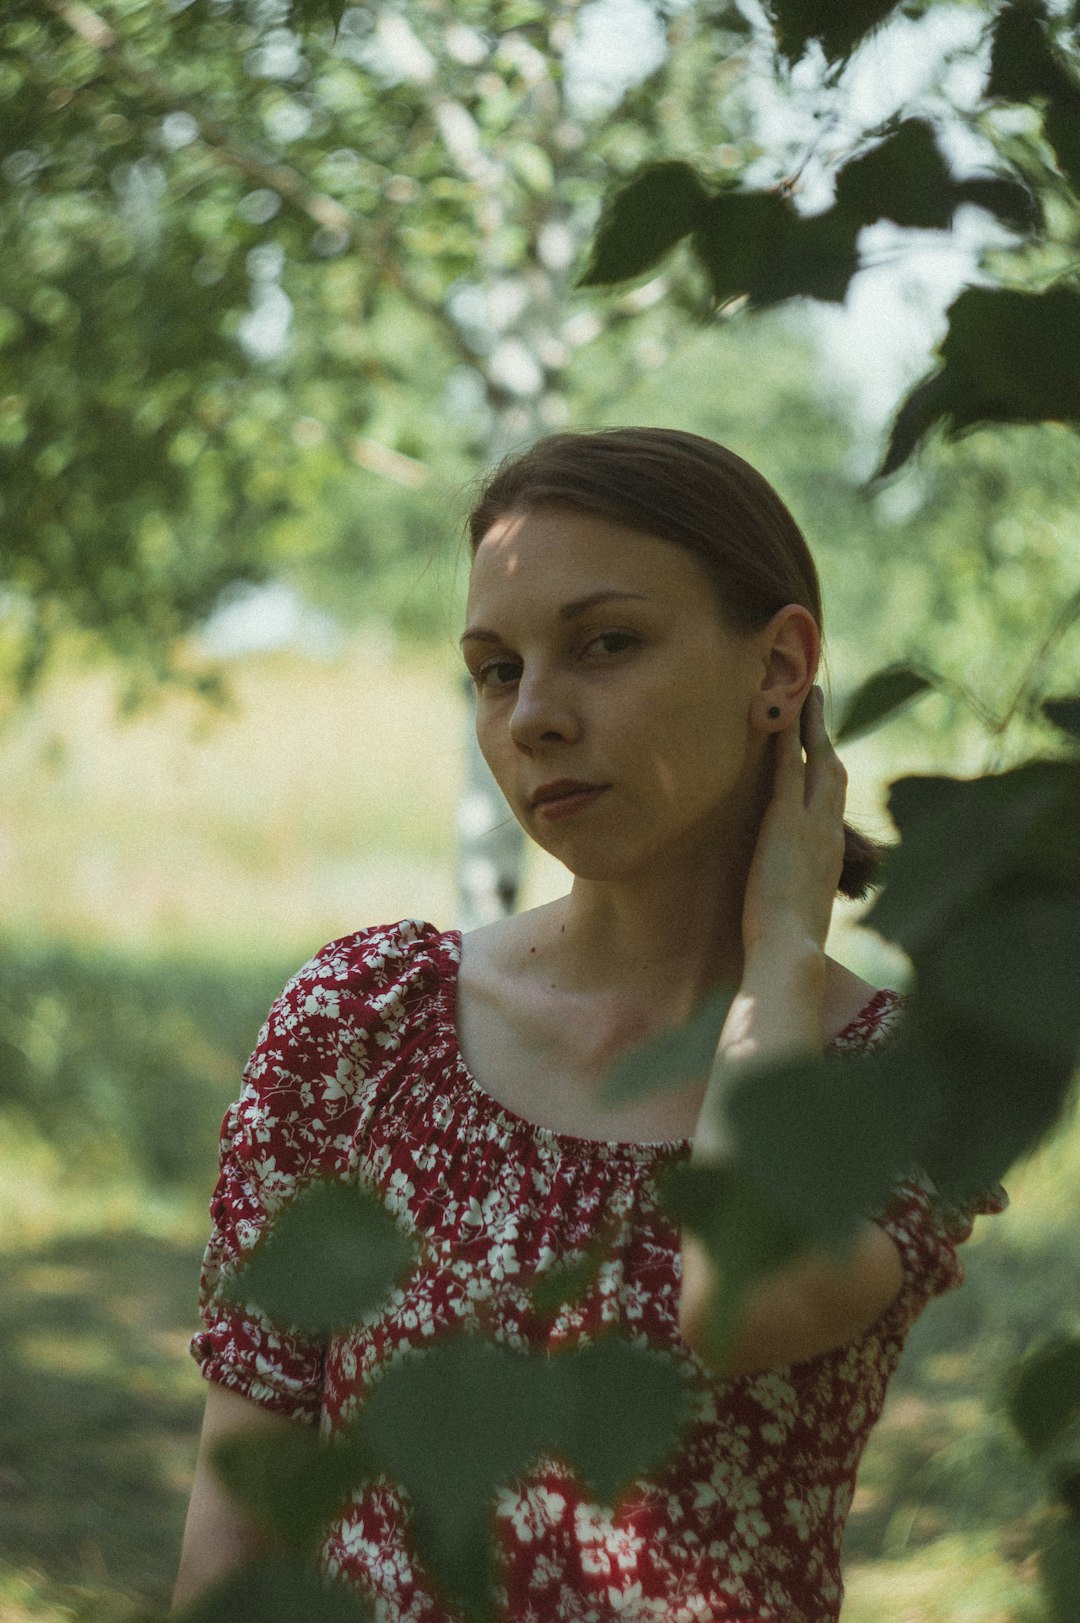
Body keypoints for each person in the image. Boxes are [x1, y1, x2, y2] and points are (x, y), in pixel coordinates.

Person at [172, 428, 1005, 1622]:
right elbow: (238, 1527)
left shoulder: (902, 1083)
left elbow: (736, 1299)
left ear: (781, 666)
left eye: (605, 643)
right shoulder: (367, 1020)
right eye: (495, 669)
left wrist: (780, 950)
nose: (535, 717)